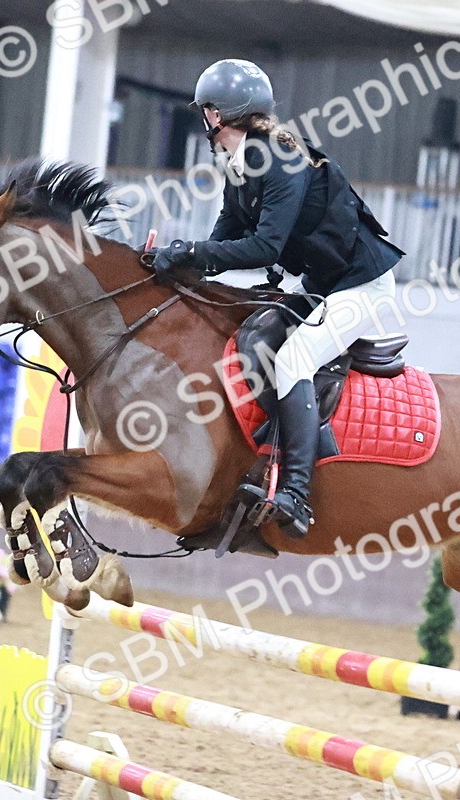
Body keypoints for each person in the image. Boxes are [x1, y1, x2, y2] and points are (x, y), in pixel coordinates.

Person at [151, 58, 404, 539]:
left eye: (205, 109)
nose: (204, 118)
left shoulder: (280, 160)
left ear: (218, 114)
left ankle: (296, 493)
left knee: (293, 361)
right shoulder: (241, 161)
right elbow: (224, 237)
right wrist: (178, 263)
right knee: (251, 329)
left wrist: (196, 253)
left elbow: (265, 247)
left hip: (360, 285)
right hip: (318, 280)